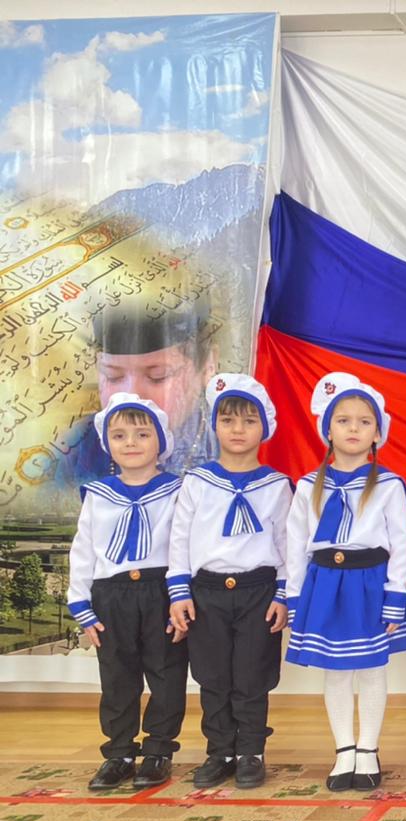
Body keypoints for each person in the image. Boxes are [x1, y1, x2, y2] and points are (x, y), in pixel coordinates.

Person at [284, 372, 406, 792]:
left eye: (364, 422)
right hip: (326, 584)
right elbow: (296, 546)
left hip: (370, 584)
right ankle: (344, 749)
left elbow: (401, 544)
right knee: (336, 669)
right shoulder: (308, 485)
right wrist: (295, 597)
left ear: (378, 433)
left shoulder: (389, 485)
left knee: (371, 668)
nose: (353, 429)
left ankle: (368, 749)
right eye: (343, 420)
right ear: (328, 429)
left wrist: (395, 593)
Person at [167, 374, 291, 790]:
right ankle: (219, 750)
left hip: (259, 591)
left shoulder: (276, 486)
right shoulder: (197, 482)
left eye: (249, 421)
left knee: (253, 673)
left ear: (265, 427)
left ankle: (251, 750)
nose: (238, 430)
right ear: (214, 425)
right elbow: (179, 540)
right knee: (213, 674)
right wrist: (179, 592)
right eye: (228, 420)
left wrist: (283, 593)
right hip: (207, 592)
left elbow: (288, 544)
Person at [66, 393, 186, 790]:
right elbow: (84, 550)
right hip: (111, 593)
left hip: (161, 590)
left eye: (142, 434)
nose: (131, 442)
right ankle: (118, 753)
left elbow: (185, 546)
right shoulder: (98, 495)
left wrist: (182, 597)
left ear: (160, 442)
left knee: (166, 673)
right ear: (108, 444)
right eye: (119, 436)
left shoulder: (177, 492)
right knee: (118, 676)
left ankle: (158, 751)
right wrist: (81, 603)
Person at [62, 295, 218, 486]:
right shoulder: (76, 449)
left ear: (208, 366)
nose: (132, 396)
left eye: (158, 376)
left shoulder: (231, 440)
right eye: (113, 376)